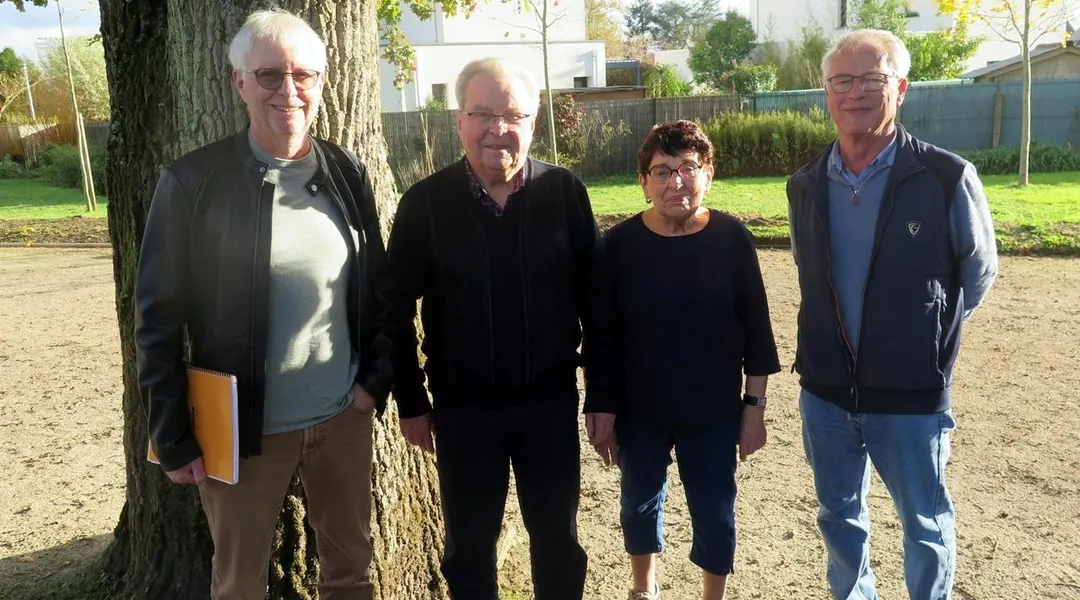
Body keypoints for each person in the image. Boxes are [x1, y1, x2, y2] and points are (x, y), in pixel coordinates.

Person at [134, 9, 393, 600]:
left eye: (304, 75)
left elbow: (378, 286)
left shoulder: (346, 172)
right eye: (270, 75)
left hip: (341, 419)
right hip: (240, 432)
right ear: (239, 82)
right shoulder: (192, 182)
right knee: (239, 586)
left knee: (350, 576)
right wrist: (172, 433)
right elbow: (157, 320)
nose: (289, 91)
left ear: (321, 82)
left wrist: (372, 385)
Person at [387, 57, 615, 600]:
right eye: (483, 114)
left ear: (533, 121)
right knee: (468, 548)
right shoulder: (425, 205)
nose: (498, 128)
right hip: (462, 410)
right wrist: (411, 400)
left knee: (558, 541)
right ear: (459, 120)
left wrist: (603, 394)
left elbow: (599, 303)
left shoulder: (565, 193)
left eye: (513, 115)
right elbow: (390, 307)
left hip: (548, 405)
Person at [787, 29, 999, 600]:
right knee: (838, 518)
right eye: (841, 80)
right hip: (826, 395)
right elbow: (810, 272)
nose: (855, 92)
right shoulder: (804, 184)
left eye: (872, 79)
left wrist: (921, 335)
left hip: (911, 397)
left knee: (925, 525)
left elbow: (977, 274)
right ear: (826, 92)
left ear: (900, 89)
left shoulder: (946, 177)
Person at [596, 120, 781, 600]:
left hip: (713, 412)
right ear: (643, 182)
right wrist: (602, 406)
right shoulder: (618, 247)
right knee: (637, 505)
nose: (675, 181)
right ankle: (643, 588)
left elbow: (758, 334)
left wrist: (754, 410)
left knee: (715, 512)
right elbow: (603, 337)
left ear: (708, 175)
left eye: (688, 168)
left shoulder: (732, 239)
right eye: (661, 171)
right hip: (640, 412)